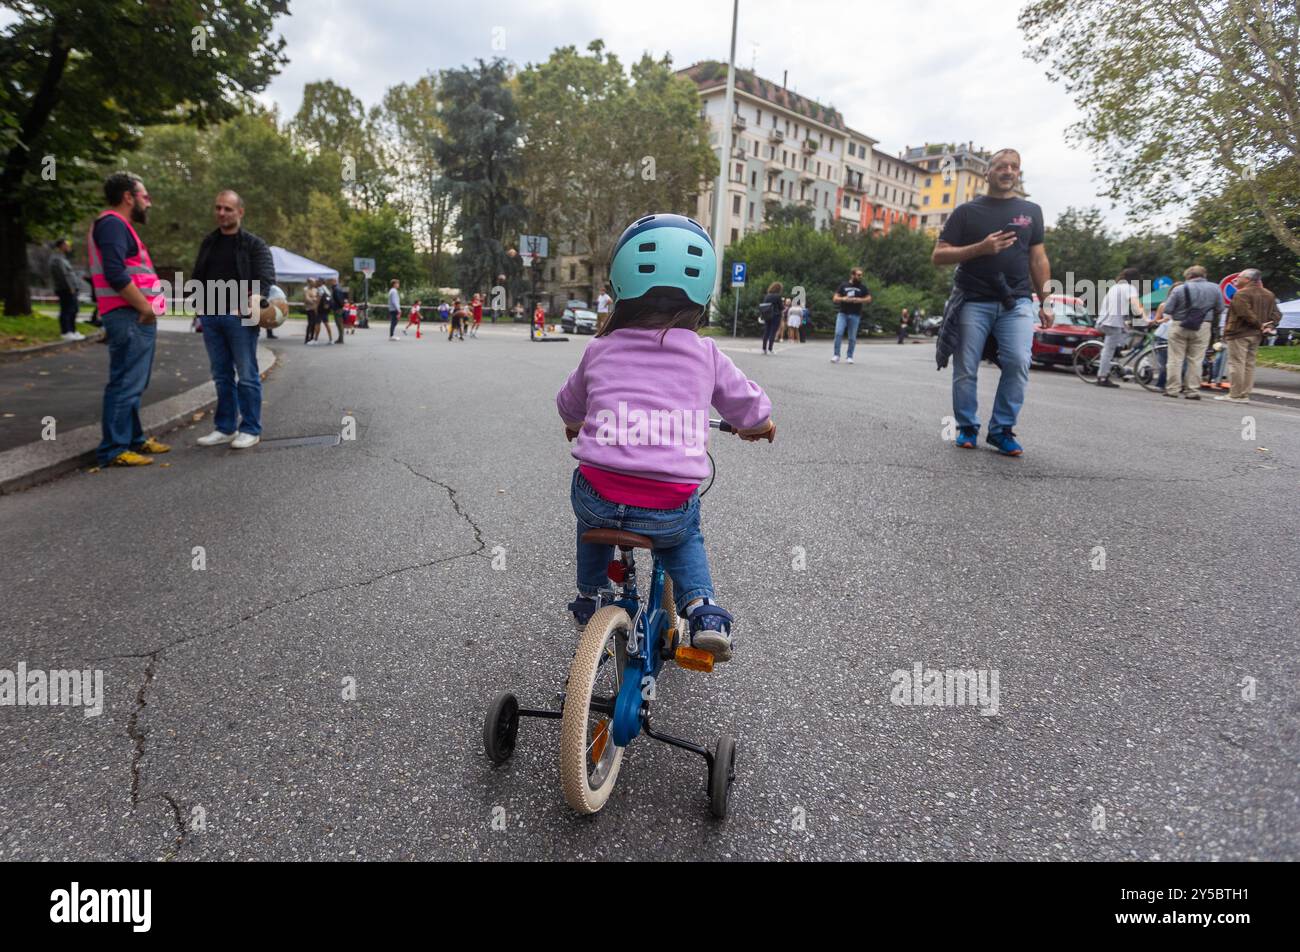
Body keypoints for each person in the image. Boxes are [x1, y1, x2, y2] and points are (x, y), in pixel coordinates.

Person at [556, 213, 775, 661]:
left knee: (587, 507)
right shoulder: (705, 352)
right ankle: (702, 608)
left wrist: (576, 422)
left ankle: (591, 594)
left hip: (599, 495)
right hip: (665, 504)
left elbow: (568, 404)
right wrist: (760, 426)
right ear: (703, 294)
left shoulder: (598, 349)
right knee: (686, 532)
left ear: (619, 286)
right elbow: (750, 407)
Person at [932, 148, 1051, 456]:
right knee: (966, 367)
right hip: (974, 299)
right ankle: (967, 427)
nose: (1008, 171)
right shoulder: (967, 212)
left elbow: (1038, 258)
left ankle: (1001, 430)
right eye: (1001, 166)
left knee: (1018, 361)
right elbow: (939, 255)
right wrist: (981, 248)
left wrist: (1046, 300)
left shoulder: (1032, 211)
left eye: (1014, 167)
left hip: (1018, 302)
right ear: (988, 172)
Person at [88, 171, 170, 467]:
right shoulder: (112, 225)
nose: (148, 203)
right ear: (128, 197)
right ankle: (114, 448)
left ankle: (133, 439)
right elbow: (115, 273)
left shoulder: (119, 226)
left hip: (133, 315)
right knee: (125, 382)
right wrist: (145, 308)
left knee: (134, 381)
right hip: (129, 315)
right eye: (145, 197)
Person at [190, 189, 276, 450]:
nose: (221, 213)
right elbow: (198, 276)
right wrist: (199, 307)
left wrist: (250, 302)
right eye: (218, 208)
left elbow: (266, 278)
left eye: (227, 208)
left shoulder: (254, 244)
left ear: (240, 212)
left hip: (240, 318)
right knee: (221, 375)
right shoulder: (209, 242)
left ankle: (250, 428)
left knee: (247, 374)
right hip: (211, 317)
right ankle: (225, 428)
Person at [1216, 268, 1281, 404]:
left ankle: (1235, 394)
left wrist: (1259, 324)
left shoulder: (1241, 294)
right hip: (1256, 335)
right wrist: (1269, 325)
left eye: (1239, 277)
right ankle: (1245, 394)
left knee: (1236, 363)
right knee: (1249, 364)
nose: (1236, 280)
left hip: (1239, 333)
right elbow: (1277, 314)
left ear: (1247, 279)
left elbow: (1245, 313)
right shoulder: (1269, 294)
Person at [1162, 265, 1223, 400]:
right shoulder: (1215, 288)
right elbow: (1220, 308)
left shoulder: (1179, 289)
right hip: (1203, 326)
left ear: (1188, 276)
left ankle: (1172, 389)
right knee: (1196, 360)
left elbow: (1168, 309)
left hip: (1180, 325)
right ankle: (1193, 390)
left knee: (1175, 359)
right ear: (1204, 275)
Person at [1095, 268, 1145, 388]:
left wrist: (1126, 320)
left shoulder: (1115, 286)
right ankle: (1102, 376)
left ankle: (1116, 363)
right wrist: (1145, 318)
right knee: (1109, 350)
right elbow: (1135, 304)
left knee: (1125, 336)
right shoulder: (1129, 288)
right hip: (1111, 323)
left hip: (1105, 321)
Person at [831, 267, 872, 363]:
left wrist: (860, 300)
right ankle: (836, 355)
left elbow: (869, 298)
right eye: (858, 275)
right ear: (852, 275)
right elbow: (835, 298)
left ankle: (849, 356)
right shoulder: (843, 285)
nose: (860, 277)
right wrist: (843, 299)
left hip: (855, 315)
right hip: (843, 314)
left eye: (861, 275)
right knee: (838, 333)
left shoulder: (862, 287)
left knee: (852, 337)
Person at [49, 238, 84, 340]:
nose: (69, 246)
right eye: (67, 244)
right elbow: (63, 276)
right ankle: (66, 332)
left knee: (74, 310)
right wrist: (71, 288)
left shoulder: (63, 258)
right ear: (61, 246)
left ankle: (72, 331)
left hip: (71, 288)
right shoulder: (56, 259)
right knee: (67, 310)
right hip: (66, 289)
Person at [759, 281, 783, 354]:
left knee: (766, 332)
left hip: (767, 315)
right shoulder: (778, 296)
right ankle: (770, 349)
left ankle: (764, 349)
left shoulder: (767, 296)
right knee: (773, 332)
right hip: (776, 316)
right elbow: (781, 307)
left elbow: (764, 305)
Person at [328, 277, 346, 344]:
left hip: (337, 309)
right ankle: (340, 338)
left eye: (331, 281)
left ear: (334, 281)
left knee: (339, 324)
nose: (330, 282)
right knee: (339, 324)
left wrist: (339, 306)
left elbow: (338, 299)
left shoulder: (336, 289)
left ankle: (341, 339)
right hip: (338, 308)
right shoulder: (337, 288)